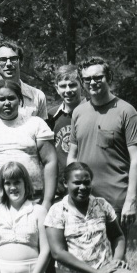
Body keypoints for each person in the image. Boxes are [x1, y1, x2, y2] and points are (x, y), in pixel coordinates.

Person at [67, 57, 137, 232]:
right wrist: (71, 192)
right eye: (87, 79)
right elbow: (72, 156)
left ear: (108, 77)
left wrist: (130, 201)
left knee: (115, 256)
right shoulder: (78, 112)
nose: (92, 82)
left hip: (115, 201)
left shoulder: (126, 112)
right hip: (83, 199)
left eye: (98, 77)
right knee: (84, 255)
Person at [0, 79, 56, 209]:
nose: (7, 103)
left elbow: (50, 161)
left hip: (33, 195)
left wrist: (47, 201)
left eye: (11, 98)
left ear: (20, 100)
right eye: (1, 99)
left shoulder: (35, 123)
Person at [49, 63, 83, 199]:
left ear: (81, 85)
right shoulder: (52, 116)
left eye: (73, 85)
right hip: (59, 188)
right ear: (57, 89)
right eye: (63, 86)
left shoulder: (91, 112)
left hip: (85, 185)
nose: (68, 90)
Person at [0, 40, 48, 120]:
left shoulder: (37, 96)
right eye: (3, 60)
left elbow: (42, 129)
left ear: (21, 62)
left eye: (13, 59)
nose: (8, 64)